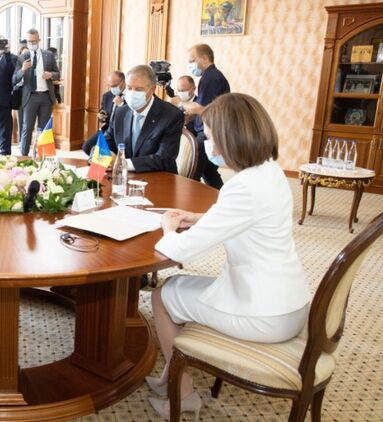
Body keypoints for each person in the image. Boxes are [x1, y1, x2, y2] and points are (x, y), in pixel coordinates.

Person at [146, 93, 311, 420]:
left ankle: (183, 395)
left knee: (162, 296)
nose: (209, 145)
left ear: (229, 138)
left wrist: (168, 227)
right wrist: (198, 218)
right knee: (181, 289)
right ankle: (170, 377)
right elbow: (246, 218)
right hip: (290, 301)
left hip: (264, 314)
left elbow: (179, 250)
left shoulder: (244, 187)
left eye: (210, 137)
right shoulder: (270, 172)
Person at [97, 65, 183, 173]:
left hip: (159, 177)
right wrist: (100, 157)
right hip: (124, 177)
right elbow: (105, 143)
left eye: (138, 89)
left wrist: (123, 163)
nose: (132, 93)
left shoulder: (172, 115)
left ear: (152, 90)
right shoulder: (121, 112)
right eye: (129, 88)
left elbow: (164, 159)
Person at [182, 43, 230, 189]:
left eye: (192, 61)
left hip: (208, 133)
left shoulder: (211, 78)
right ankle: (221, 197)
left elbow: (201, 108)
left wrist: (180, 103)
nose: (190, 65)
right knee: (209, 171)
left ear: (203, 58)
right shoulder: (210, 77)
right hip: (210, 131)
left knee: (191, 174)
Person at [13, 28, 61, 156]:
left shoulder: (48, 55)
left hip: (46, 97)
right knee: (27, 127)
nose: (31, 44)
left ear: (39, 40)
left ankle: (43, 157)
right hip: (30, 97)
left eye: (34, 41)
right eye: (29, 41)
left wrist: (51, 74)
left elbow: (58, 74)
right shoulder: (22, 57)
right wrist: (22, 70)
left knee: (44, 130)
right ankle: (24, 157)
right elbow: (14, 79)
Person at [81, 71, 125, 155]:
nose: (112, 88)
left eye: (114, 86)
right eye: (110, 86)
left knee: (107, 150)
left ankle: (110, 161)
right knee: (87, 146)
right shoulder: (107, 95)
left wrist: (121, 105)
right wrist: (101, 116)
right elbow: (103, 112)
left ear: (123, 82)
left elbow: (132, 114)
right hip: (107, 129)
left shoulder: (130, 96)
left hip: (122, 131)